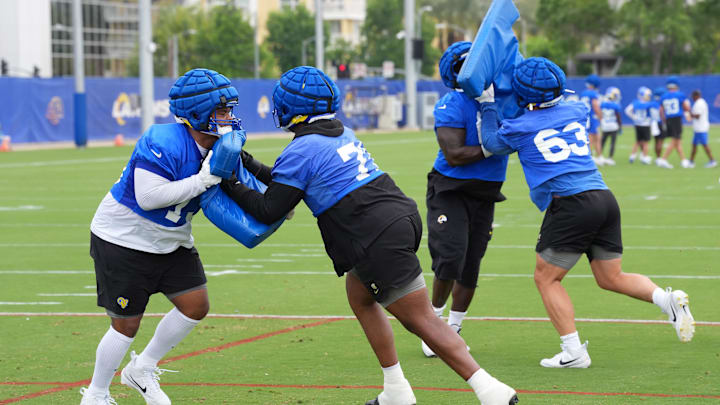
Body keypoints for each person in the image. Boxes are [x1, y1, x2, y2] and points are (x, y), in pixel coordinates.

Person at [220, 66, 518, 405]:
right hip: (396, 214)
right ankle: (395, 390)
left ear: (293, 109)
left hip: (370, 230)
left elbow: (269, 208)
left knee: (420, 318)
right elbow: (287, 182)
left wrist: (229, 180)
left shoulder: (301, 149)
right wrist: (246, 163)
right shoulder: (338, 132)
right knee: (360, 297)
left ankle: (490, 389)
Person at [477, 57, 695, 369]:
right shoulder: (577, 109)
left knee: (546, 278)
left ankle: (574, 352)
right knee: (611, 276)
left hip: (571, 203)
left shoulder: (521, 126)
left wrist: (487, 102)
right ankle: (665, 300)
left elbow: (490, 143)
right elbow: (553, 102)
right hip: (604, 198)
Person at [80, 68, 271, 405]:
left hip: (171, 238)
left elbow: (246, 184)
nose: (229, 118)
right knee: (126, 326)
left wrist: (274, 205)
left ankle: (142, 368)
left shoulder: (223, 146)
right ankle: (96, 394)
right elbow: (149, 198)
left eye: (230, 110)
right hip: (124, 239)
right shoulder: (163, 140)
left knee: (195, 305)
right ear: (199, 111)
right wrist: (205, 179)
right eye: (222, 110)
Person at [418, 41, 509, 358]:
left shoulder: (503, 99)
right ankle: (433, 325)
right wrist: (493, 146)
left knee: (471, 264)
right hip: (451, 188)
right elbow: (454, 155)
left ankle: (453, 329)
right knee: (450, 258)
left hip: (485, 191)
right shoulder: (452, 103)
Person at [656, 76, 692, 169]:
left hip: (668, 119)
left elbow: (660, 110)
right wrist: (689, 111)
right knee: (675, 140)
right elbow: (686, 108)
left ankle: (683, 160)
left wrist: (664, 121)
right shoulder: (680, 95)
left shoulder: (663, 96)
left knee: (677, 141)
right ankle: (663, 159)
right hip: (676, 119)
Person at [625, 87, 654, 165]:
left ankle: (632, 156)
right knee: (645, 142)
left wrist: (634, 117)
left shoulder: (635, 103)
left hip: (637, 124)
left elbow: (627, 110)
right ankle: (644, 157)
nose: (649, 97)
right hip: (645, 124)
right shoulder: (648, 104)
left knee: (638, 141)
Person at [689, 89, 717, 168]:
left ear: (696, 96)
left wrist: (690, 114)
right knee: (694, 144)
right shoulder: (700, 102)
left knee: (704, 145)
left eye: (693, 97)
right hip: (698, 128)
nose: (692, 98)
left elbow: (698, 116)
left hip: (701, 128)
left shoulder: (699, 103)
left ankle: (712, 161)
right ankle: (691, 161)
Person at [580, 74, 604, 165]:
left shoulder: (583, 92)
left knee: (593, 137)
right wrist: (601, 117)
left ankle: (597, 156)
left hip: (585, 117)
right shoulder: (593, 93)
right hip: (591, 118)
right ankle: (591, 157)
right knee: (594, 137)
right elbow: (595, 106)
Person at [599, 86, 622, 166]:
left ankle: (600, 156)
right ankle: (610, 158)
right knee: (613, 142)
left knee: (602, 142)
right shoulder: (615, 105)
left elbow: (600, 114)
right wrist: (620, 127)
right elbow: (618, 117)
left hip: (605, 125)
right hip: (613, 126)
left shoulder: (602, 104)